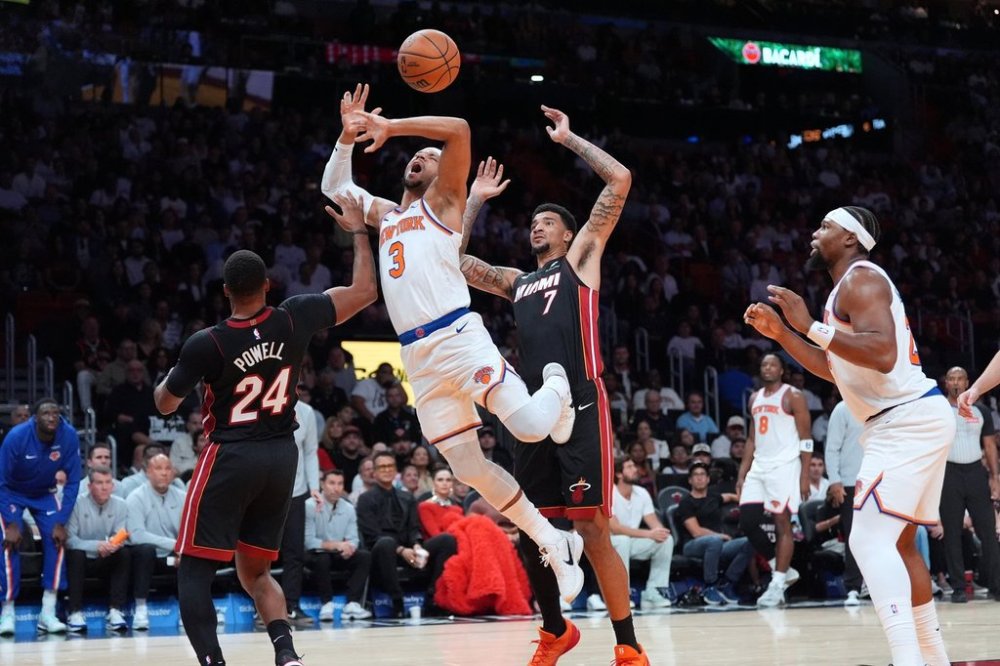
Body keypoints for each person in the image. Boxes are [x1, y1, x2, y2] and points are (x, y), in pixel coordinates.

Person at [323, 84, 584, 608]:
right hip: (416, 358)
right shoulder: (387, 216)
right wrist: (347, 137)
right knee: (467, 467)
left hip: (458, 337)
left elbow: (459, 130)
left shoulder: (443, 205)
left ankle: (556, 382)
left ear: (447, 178)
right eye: (416, 155)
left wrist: (392, 127)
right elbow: (335, 189)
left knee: (531, 427)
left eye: (431, 156)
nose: (421, 157)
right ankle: (554, 541)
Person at [152, 193, 377, 666]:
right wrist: (358, 231)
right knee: (256, 570)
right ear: (268, 285)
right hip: (281, 458)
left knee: (193, 570)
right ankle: (287, 655)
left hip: (231, 453)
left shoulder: (207, 342)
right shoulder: (295, 314)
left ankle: (214, 661)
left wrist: (169, 378)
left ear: (225, 291)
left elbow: (166, 402)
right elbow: (364, 292)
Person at [458, 106, 649, 664]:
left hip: (583, 401)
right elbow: (454, 261)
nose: (536, 225)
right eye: (532, 221)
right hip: (531, 406)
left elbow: (620, 180)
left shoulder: (581, 263)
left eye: (548, 221)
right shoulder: (517, 281)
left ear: (569, 233)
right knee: (530, 524)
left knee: (591, 527)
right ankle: (554, 630)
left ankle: (628, 646)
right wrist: (474, 200)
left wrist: (569, 140)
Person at [744, 205, 954, 666]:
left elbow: (881, 352)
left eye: (825, 227)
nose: (815, 233)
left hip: (906, 420)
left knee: (867, 540)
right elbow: (836, 370)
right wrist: (783, 334)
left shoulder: (862, 278)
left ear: (851, 239)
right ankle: (933, 657)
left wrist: (806, 326)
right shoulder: (845, 290)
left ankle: (907, 659)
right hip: (910, 418)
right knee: (898, 545)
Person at [0, 399, 82, 635]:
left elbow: (74, 481)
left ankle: (48, 611)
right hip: (12, 492)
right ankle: (7, 611)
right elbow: (2, 482)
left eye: (55, 413)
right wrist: (12, 523)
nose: (51, 417)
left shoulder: (68, 436)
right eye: (46, 413)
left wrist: (61, 520)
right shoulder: (16, 437)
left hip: (44, 493)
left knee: (57, 540)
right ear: (35, 418)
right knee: (8, 542)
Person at [736, 353, 812, 608]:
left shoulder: (794, 396)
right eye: (764, 365)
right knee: (747, 520)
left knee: (782, 523)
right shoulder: (754, 398)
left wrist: (804, 476)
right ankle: (782, 569)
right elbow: (750, 438)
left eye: (772, 365)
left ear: (781, 371)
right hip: (759, 465)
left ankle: (777, 584)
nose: (767, 368)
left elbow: (806, 438)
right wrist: (742, 472)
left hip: (785, 466)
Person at [355, 452, 457, 617]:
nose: (387, 470)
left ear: (396, 470)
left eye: (390, 466)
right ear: (374, 471)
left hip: (409, 548)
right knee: (386, 543)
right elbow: (372, 536)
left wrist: (416, 545)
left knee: (447, 540)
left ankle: (433, 597)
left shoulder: (407, 497)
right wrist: (401, 550)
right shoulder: (366, 499)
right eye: (382, 467)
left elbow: (413, 528)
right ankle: (397, 601)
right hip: (381, 553)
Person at [940, 367, 1000, 603]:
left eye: (960, 379)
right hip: (948, 472)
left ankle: (996, 585)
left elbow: (990, 446)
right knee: (952, 532)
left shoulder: (981, 410)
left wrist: (995, 477)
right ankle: (957, 587)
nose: (956, 383)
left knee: (988, 532)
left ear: (967, 383)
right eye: (952, 379)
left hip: (976, 471)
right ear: (946, 383)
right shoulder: (938, 409)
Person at [65, 465, 131, 633]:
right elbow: (70, 540)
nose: (104, 487)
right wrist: (97, 545)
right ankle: (74, 612)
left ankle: (115, 611)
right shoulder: (76, 503)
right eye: (99, 483)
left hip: (105, 558)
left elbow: (121, 534)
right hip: (82, 559)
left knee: (123, 553)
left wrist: (112, 546)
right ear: (89, 486)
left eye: (108, 482)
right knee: (75, 554)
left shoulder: (121, 505)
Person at [676, 462, 751, 604]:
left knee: (750, 541)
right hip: (692, 545)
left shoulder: (713, 497)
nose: (699, 478)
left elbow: (729, 496)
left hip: (718, 545)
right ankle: (710, 586)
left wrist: (746, 501)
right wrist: (719, 536)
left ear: (708, 479)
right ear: (690, 480)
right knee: (714, 541)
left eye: (702, 475)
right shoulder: (686, 502)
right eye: (695, 475)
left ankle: (727, 583)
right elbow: (696, 531)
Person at [126, 453, 185, 630]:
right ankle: (141, 609)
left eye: (168, 468)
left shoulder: (183, 497)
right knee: (145, 551)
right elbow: (137, 535)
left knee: (192, 556)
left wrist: (181, 550)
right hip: (145, 557)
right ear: (148, 473)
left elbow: (189, 531)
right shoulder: (135, 497)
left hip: (170, 557)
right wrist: (174, 544)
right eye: (158, 469)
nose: (164, 473)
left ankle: (188, 610)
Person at [304, 470, 372, 622]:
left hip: (338, 552)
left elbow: (354, 539)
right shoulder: (309, 505)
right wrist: (336, 545)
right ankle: (327, 603)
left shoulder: (348, 508)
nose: (336, 488)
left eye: (340, 484)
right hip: (314, 553)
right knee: (322, 558)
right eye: (332, 483)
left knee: (364, 556)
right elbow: (308, 541)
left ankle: (352, 604)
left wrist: (350, 547)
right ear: (322, 484)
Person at [608, 457, 674, 610]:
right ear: (618, 473)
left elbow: (653, 523)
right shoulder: (609, 493)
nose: (635, 469)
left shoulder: (642, 492)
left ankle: (653, 592)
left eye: (634, 466)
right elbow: (615, 528)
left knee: (666, 540)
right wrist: (649, 534)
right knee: (622, 539)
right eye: (629, 467)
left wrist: (660, 532)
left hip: (633, 541)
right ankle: (621, 595)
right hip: (611, 542)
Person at [824, 399, 866, 606]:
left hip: (880, 481)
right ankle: (853, 587)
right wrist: (835, 481)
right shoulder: (843, 408)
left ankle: (878, 583)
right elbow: (831, 448)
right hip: (850, 482)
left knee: (883, 536)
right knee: (854, 536)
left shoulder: (882, 403)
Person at [417, 466, 464, 539]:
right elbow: (435, 534)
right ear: (433, 483)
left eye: (448, 480)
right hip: (435, 544)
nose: (444, 483)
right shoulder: (425, 506)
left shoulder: (458, 509)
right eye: (440, 480)